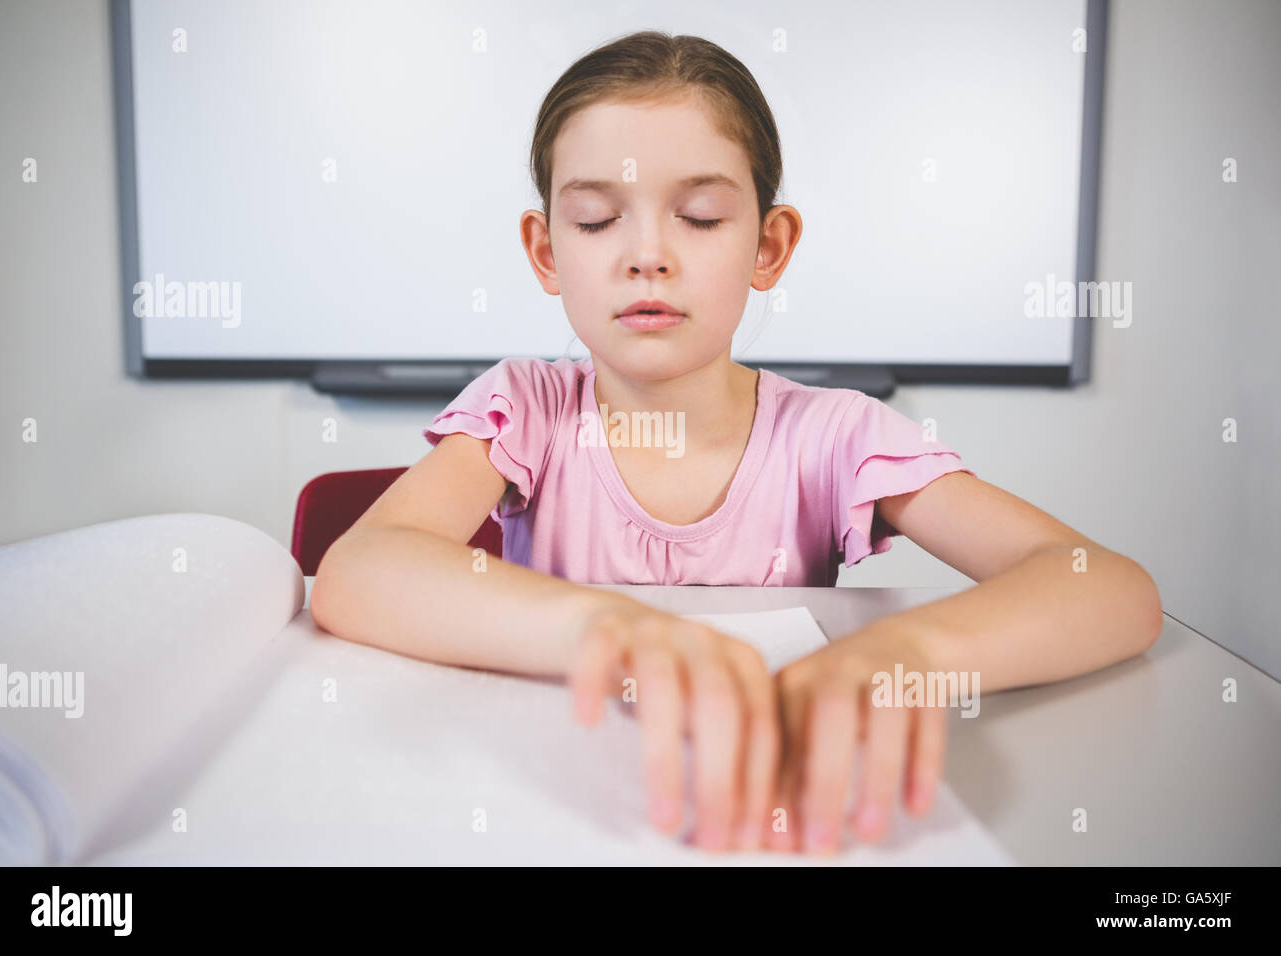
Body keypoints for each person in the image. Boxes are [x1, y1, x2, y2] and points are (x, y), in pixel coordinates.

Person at [310, 30, 1162, 856]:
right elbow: (361, 571)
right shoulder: (525, 408)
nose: (648, 255)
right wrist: (611, 629)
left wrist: (907, 652)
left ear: (768, 245)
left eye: (701, 217)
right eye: (598, 219)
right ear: (545, 250)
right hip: (567, 804)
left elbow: (1109, 590)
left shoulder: (833, 436)